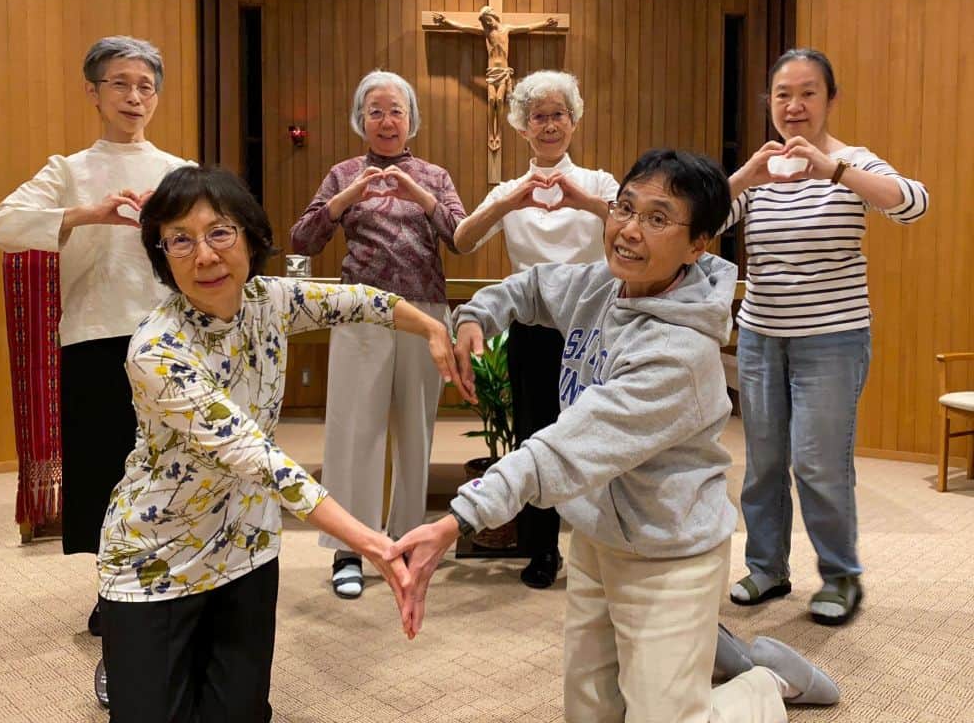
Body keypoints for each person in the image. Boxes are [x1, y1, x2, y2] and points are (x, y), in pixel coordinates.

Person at [389, 149, 839, 722]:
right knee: (590, 712)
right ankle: (709, 653)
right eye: (624, 207)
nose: (628, 230)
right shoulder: (603, 285)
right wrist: (479, 314)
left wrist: (457, 520)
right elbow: (531, 286)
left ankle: (764, 685)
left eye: (657, 218)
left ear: (699, 243)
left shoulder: (676, 353)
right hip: (600, 535)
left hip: (668, 550)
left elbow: (564, 448)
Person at [96, 165, 471, 721]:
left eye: (220, 232)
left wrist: (432, 327)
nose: (203, 256)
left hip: (247, 547)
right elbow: (259, 459)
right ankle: (123, 663)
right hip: (157, 558)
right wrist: (372, 542)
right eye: (180, 239)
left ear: (250, 236)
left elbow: (361, 301)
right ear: (162, 255)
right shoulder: (156, 350)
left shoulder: (269, 300)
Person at [0, 36, 191, 635]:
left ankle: (172, 586)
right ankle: (114, 591)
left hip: (169, 338)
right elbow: (4, 224)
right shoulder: (68, 170)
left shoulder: (179, 171)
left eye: (146, 86)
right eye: (120, 84)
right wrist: (88, 213)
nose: (134, 97)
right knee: (108, 472)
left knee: (170, 470)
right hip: (94, 335)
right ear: (94, 93)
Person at [723, 49, 929, 625]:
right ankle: (766, 568)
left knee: (818, 463)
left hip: (832, 341)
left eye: (808, 93)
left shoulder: (851, 162)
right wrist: (745, 175)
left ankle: (840, 576)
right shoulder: (760, 172)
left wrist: (832, 169)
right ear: (770, 103)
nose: (794, 105)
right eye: (783, 94)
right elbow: (700, 220)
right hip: (761, 338)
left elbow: (913, 204)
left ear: (830, 100)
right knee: (763, 461)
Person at [289, 70, 467, 599]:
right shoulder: (342, 171)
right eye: (375, 111)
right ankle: (352, 549)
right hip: (360, 311)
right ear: (359, 119)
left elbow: (460, 238)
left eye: (396, 111)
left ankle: (410, 541)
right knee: (354, 430)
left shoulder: (434, 175)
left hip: (425, 311)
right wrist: (344, 199)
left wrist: (420, 194)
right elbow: (302, 239)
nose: (386, 121)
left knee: (416, 429)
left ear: (411, 118)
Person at [452, 69, 619, 588]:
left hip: (592, 327)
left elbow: (632, 224)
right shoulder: (508, 190)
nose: (550, 125)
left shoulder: (598, 181)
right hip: (531, 325)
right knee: (535, 435)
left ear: (574, 121)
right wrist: (507, 202)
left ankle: (607, 544)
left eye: (559, 115)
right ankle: (542, 548)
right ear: (523, 126)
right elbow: (461, 240)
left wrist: (580, 200)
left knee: (598, 434)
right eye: (539, 116)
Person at [431, 7, 558, 150]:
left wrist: (545, 24)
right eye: (485, 21)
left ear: (493, 16)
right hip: (491, 72)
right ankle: (492, 133)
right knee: (492, 100)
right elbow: (463, 27)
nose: (488, 23)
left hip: (503, 72)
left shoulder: (507, 29)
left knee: (499, 100)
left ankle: (499, 132)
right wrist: (446, 22)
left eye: (488, 19)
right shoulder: (486, 32)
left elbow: (526, 28)